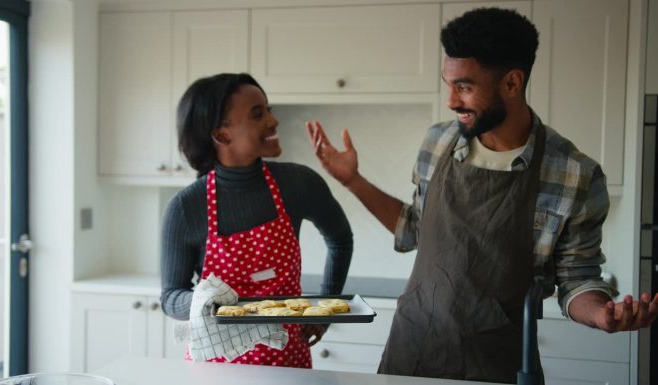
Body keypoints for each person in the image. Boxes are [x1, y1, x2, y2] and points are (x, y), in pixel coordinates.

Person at [306, 7, 658, 384]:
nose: (451, 101)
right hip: (411, 354)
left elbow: (577, 281)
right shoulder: (438, 142)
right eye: (449, 84)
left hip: (498, 364)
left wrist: (602, 314)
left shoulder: (574, 174)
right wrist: (353, 180)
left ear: (511, 83)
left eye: (465, 87)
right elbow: (414, 231)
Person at [160, 73, 353, 368]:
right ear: (221, 135)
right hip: (217, 368)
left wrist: (321, 315)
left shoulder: (298, 184)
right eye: (257, 114)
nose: (273, 121)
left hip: (288, 364)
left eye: (269, 109)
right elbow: (170, 297)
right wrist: (204, 301)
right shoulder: (186, 208)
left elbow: (340, 240)